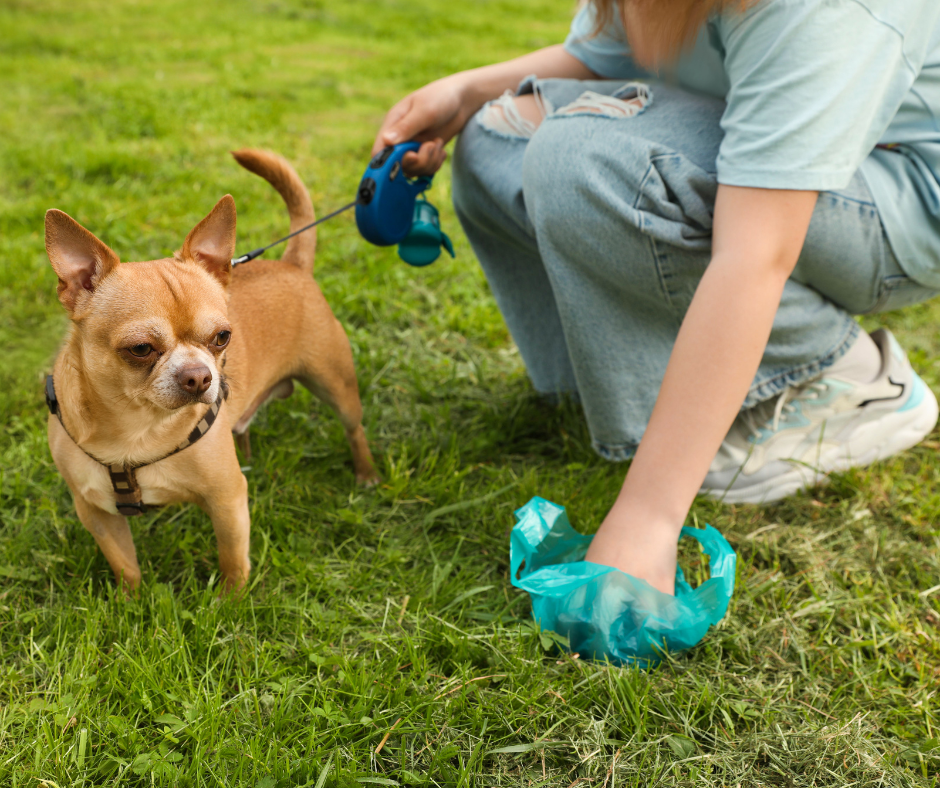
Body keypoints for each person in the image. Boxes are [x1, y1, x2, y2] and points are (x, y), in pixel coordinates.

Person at [372, 0, 940, 595]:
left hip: (893, 194)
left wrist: (648, 518)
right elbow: (599, 57)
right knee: (498, 132)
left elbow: (755, 256)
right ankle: (641, 387)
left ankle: (836, 372)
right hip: (767, 143)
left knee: (581, 160)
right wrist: (465, 94)